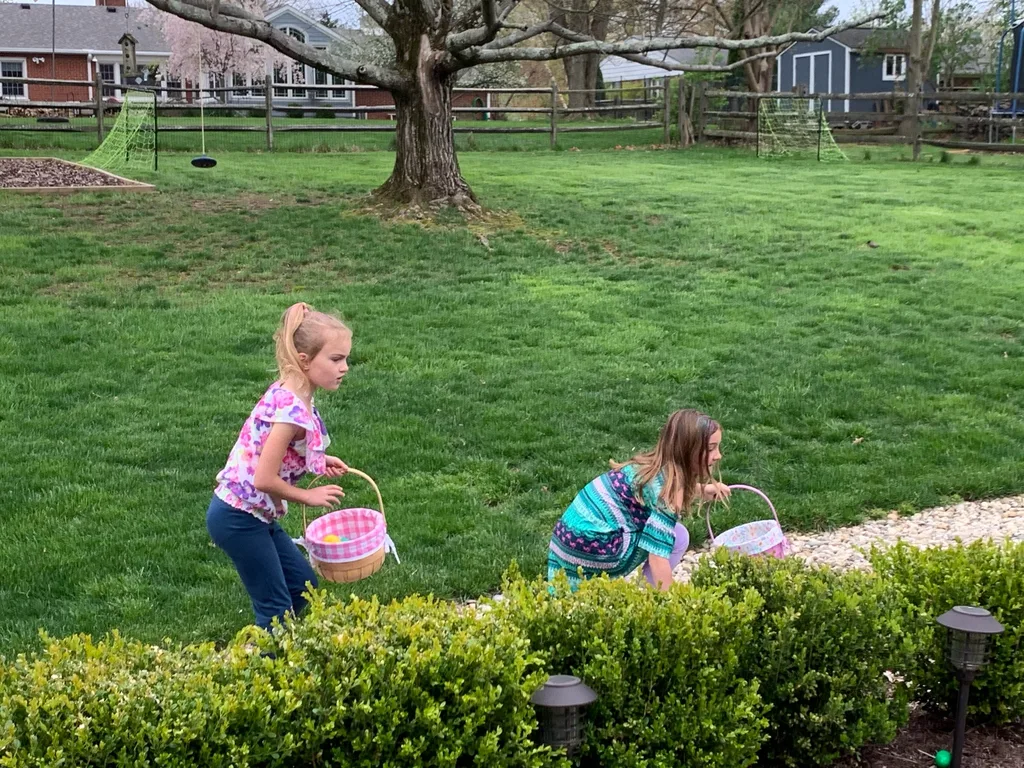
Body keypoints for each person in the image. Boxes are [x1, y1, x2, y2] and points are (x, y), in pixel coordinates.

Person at [206, 302, 352, 630]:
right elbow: (263, 478)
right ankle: (267, 672)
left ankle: (280, 653)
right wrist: (307, 497)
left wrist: (321, 459)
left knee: (304, 587)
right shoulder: (291, 411)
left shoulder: (294, 391)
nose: (344, 367)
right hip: (238, 516)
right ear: (305, 360)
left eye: (346, 358)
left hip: (257, 514)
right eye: (335, 359)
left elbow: (276, 451)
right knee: (275, 608)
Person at [547, 409, 729, 591]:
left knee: (678, 535)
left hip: (565, 543)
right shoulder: (669, 494)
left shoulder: (651, 467)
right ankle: (650, 596)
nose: (718, 455)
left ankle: (641, 591)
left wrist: (702, 490)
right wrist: (675, 604)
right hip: (592, 549)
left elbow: (653, 495)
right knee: (666, 539)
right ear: (688, 450)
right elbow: (657, 556)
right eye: (711, 448)